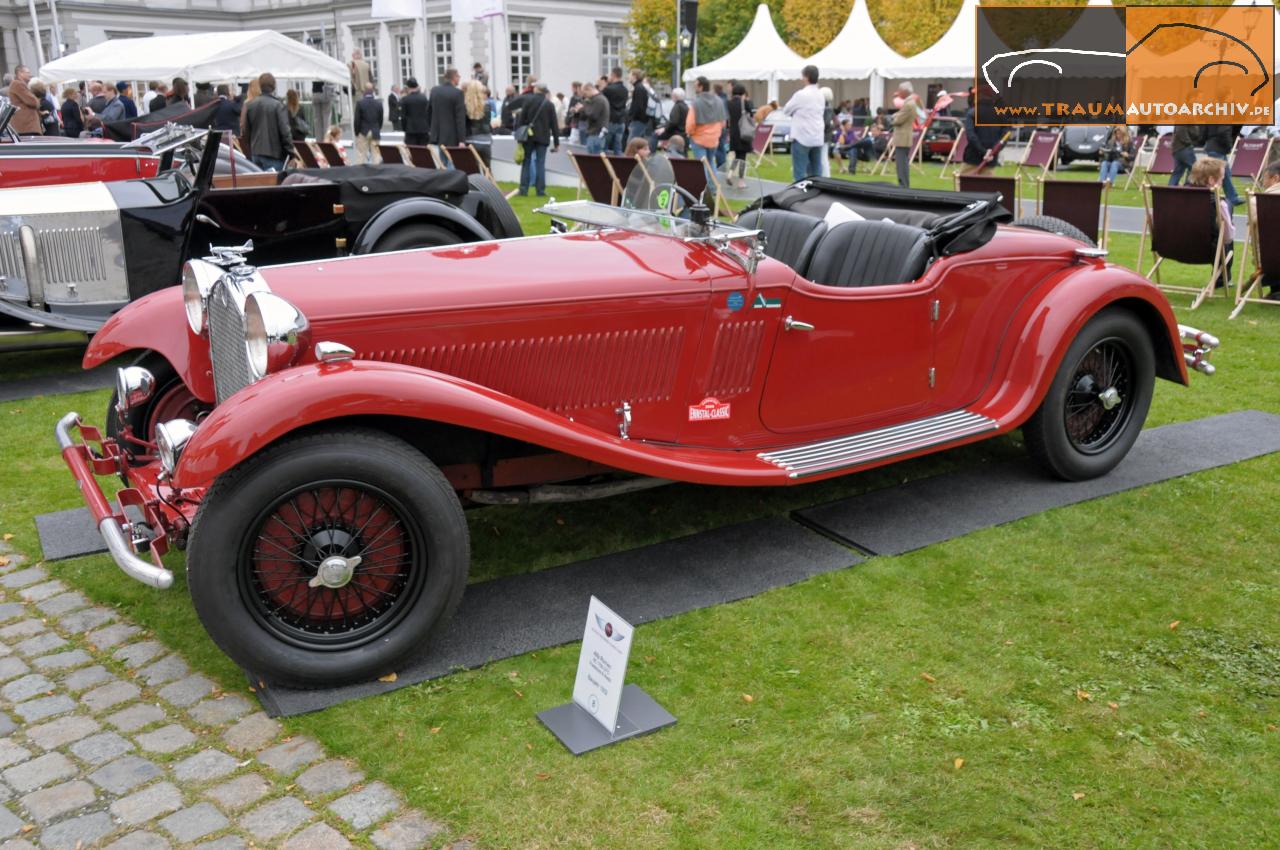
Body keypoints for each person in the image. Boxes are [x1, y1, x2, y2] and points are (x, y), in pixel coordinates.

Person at [1186, 157, 1234, 288]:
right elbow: (1228, 237)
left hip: (1173, 246)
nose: (1223, 181)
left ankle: (1222, 278)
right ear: (1212, 180)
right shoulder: (1218, 202)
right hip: (1206, 250)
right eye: (1222, 178)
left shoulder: (1175, 195)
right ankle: (1222, 279)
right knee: (1225, 235)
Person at [782, 65, 825, 181]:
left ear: (806, 77)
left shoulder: (801, 94)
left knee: (799, 174)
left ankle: (799, 196)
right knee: (816, 173)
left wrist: (795, 113)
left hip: (802, 137)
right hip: (817, 137)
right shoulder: (821, 95)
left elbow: (786, 110)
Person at [517, 82, 559, 197]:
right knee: (540, 163)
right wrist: (556, 142)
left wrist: (519, 136)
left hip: (528, 137)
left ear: (536, 89)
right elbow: (554, 124)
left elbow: (521, 120)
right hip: (543, 137)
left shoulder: (528, 101)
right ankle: (540, 190)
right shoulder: (549, 104)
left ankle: (523, 189)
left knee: (526, 162)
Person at [242, 72, 291, 171]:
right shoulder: (278, 106)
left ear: (260, 86)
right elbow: (285, 132)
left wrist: (251, 148)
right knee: (275, 184)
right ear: (274, 87)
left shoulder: (250, 105)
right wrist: (291, 153)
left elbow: (245, 131)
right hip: (274, 154)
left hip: (256, 153)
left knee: (259, 184)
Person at [685, 76, 725, 165]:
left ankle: (705, 179)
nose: (694, 88)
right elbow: (723, 123)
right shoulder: (719, 101)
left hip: (699, 138)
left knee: (701, 166)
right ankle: (713, 179)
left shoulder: (696, 102)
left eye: (696, 86)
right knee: (711, 163)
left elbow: (690, 123)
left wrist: (689, 133)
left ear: (701, 87)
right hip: (714, 139)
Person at [890, 81, 921, 188]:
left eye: (899, 90)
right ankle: (904, 184)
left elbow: (899, 120)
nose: (898, 92)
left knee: (901, 164)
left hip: (902, 137)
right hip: (905, 137)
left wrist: (893, 118)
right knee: (903, 163)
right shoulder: (910, 102)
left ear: (904, 91)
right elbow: (902, 115)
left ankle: (903, 184)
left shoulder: (908, 104)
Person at [1202, 124, 1242, 207]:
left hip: (1213, 146)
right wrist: (1229, 146)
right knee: (1217, 176)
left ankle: (1233, 197)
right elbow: (1223, 131)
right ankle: (1214, 197)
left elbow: (1204, 131)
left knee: (1226, 174)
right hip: (1218, 148)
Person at [726, 83, 755, 188]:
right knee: (742, 158)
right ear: (743, 92)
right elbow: (751, 114)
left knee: (737, 156)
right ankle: (741, 181)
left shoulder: (728, 103)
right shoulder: (745, 103)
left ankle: (730, 173)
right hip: (743, 133)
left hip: (733, 133)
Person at [429, 68, 467, 149]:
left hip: (437, 135)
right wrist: (462, 140)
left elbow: (429, 112)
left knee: (441, 160)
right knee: (452, 160)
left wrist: (432, 130)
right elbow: (460, 118)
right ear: (454, 77)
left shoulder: (435, 91)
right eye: (458, 76)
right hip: (452, 137)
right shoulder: (458, 93)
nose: (459, 78)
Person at [353, 82, 384, 164]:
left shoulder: (360, 103)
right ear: (373, 90)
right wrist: (378, 128)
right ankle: (377, 172)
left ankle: (360, 173)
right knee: (376, 154)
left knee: (361, 154)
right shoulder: (379, 103)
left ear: (364, 91)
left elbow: (357, 120)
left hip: (363, 131)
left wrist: (357, 132)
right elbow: (381, 119)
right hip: (375, 130)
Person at [8, 66, 42, 135]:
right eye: (27, 72)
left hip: (26, 127)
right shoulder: (18, 84)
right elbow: (33, 102)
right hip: (26, 127)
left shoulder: (19, 84)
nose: (30, 74)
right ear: (20, 73)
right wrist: (36, 100)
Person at [602, 67, 628, 154]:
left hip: (610, 120)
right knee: (618, 147)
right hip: (621, 121)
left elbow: (601, 101)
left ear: (613, 75)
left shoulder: (608, 89)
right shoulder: (625, 90)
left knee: (604, 147)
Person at [578, 82, 609, 154]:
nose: (585, 96)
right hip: (597, 133)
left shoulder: (598, 100)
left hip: (596, 133)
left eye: (585, 94)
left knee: (594, 158)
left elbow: (593, 115)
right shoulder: (600, 99)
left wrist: (583, 108)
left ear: (589, 89)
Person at [626, 69, 652, 151]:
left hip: (638, 121)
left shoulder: (638, 88)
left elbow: (638, 107)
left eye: (630, 75)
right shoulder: (640, 87)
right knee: (638, 145)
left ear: (634, 76)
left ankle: (630, 162)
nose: (628, 77)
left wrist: (631, 117)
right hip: (641, 120)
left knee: (631, 145)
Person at [656, 87, 688, 151]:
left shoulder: (677, 106)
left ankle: (651, 154)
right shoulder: (685, 106)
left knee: (655, 135)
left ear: (675, 96)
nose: (671, 96)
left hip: (676, 132)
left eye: (672, 95)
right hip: (683, 133)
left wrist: (664, 129)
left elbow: (673, 122)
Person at [399, 78, 430, 146]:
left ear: (408, 87)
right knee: (423, 153)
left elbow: (403, 117)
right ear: (417, 86)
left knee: (413, 153)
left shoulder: (405, 99)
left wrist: (404, 129)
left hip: (411, 130)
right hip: (423, 130)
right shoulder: (424, 98)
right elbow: (428, 113)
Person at [349, 49, 372, 114]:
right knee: (366, 113)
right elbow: (371, 79)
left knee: (356, 112)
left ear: (353, 55)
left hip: (356, 92)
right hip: (367, 92)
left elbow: (349, 79)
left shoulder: (351, 65)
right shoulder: (366, 65)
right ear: (361, 55)